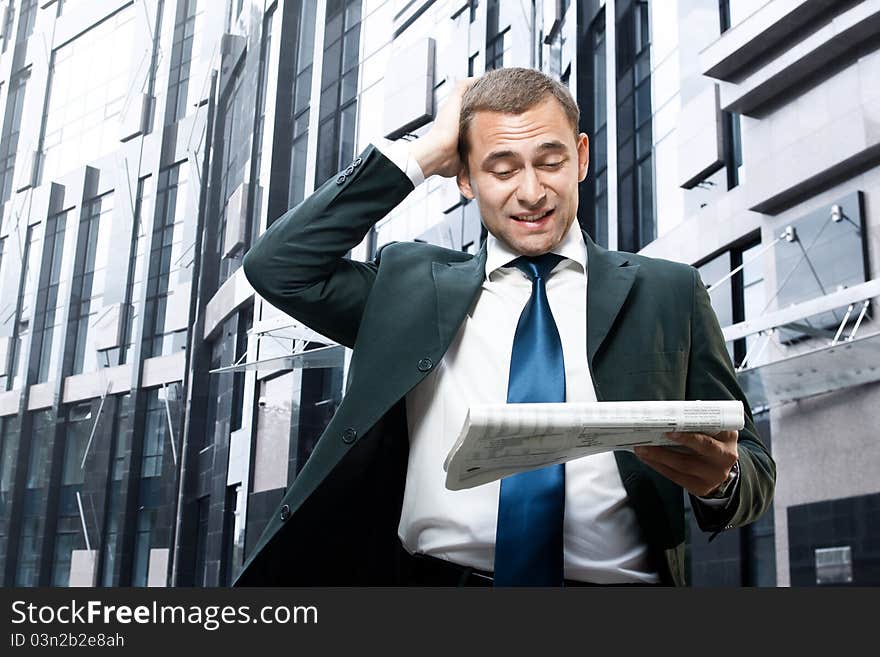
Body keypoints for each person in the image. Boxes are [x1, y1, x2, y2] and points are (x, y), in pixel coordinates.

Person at [233, 67, 775, 587]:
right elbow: (279, 267)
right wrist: (425, 155)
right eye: (502, 168)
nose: (533, 191)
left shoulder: (668, 291)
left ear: (580, 157)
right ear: (466, 177)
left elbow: (752, 468)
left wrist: (720, 480)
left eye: (550, 161)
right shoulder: (410, 288)